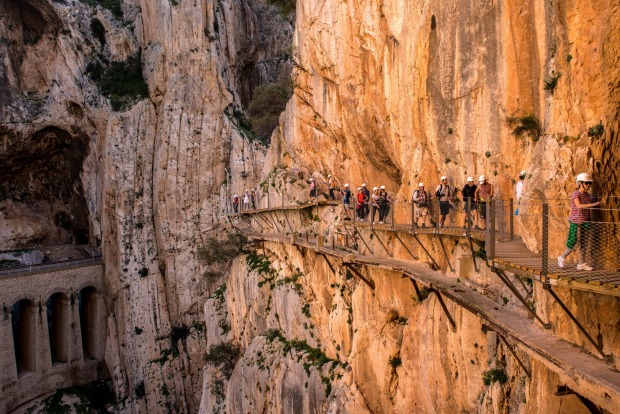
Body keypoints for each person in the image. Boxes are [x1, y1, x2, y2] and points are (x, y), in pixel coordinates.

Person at [557, 173, 601, 271]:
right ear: (580, 183)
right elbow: (578, 206)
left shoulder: (587, 195)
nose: (588, 185)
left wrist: (597, 202)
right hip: (576, 221)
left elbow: (592, 201)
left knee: (584, 242)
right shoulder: (576, 194)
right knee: (575, 242)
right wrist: (592, 204)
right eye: (586, 183)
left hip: (585, 221)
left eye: (589, 183)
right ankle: (562, 257)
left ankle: (581, 263)